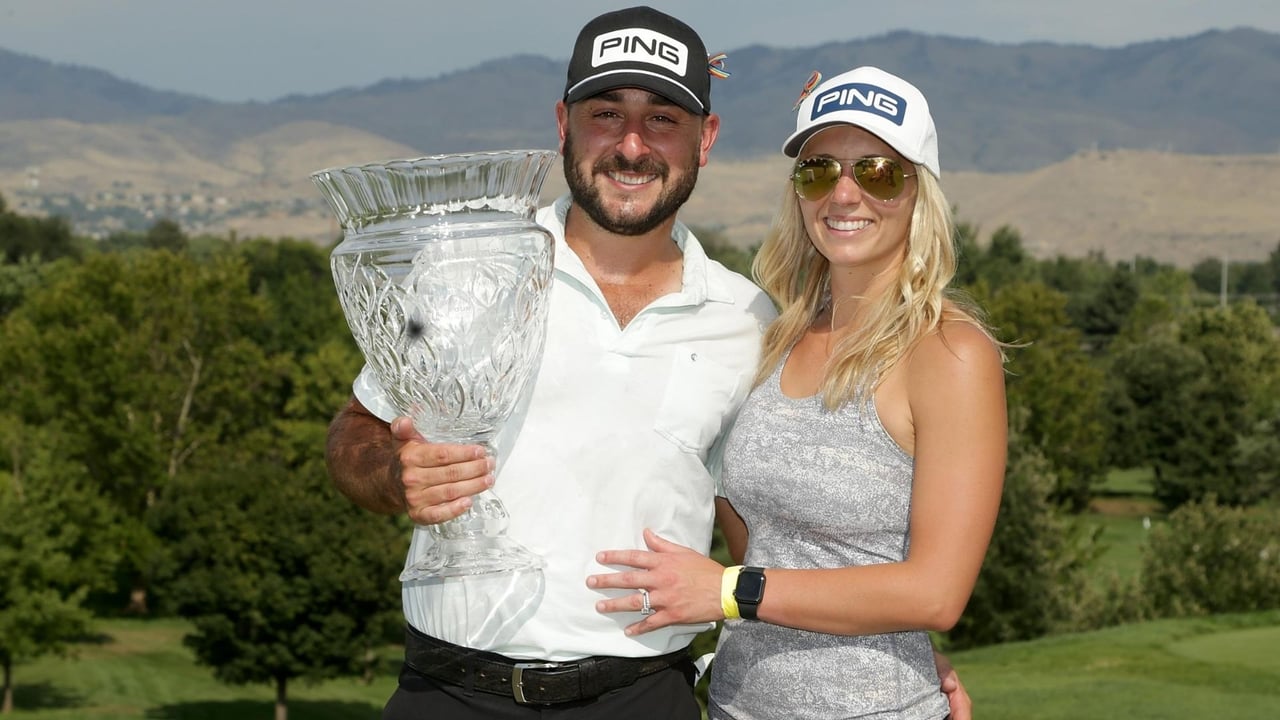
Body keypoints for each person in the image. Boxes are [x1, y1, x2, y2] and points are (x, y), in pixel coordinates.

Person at [325, 5, 971, 717]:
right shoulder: (462, 276)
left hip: (643, 696)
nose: (632, 146)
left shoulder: (750, 322)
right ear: (564, 123)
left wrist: (884, 643)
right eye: (607, 113)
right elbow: (358, 428)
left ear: (707, 138)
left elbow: (761, 522)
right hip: (450, 691)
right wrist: (393, 471)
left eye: (662, 119)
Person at [586, 65, 1007, 720]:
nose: (844, 194)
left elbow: (935, 595)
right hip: (732, 706)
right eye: (818, 170)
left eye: (877, 172)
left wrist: (732, 592)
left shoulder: (949, 354)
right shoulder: (769, 339)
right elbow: (762, 540)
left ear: (919, 193)